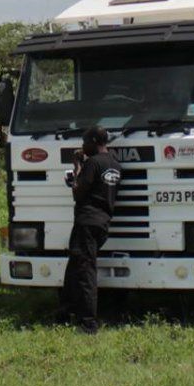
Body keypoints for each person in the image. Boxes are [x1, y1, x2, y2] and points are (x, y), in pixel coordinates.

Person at [61, 126, 120, 334]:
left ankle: (89, 323)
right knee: (75, 263)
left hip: (87, 220)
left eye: (85, 142)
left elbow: (78, 192)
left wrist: (77, 166)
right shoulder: (114, 163)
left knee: (85, 270)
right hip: (102, 222)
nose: (83, 146)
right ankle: (66, 311)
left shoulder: (92, 163)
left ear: (95, 141)